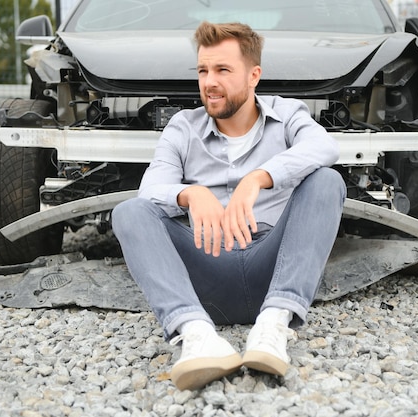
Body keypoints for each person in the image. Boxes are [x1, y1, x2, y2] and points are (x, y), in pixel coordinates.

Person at [112, 21, 345, 391]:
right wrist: (191, 194)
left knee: (327, 180)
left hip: (273, 265)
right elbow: (150, 190)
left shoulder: (287, 115)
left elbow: (326, 148)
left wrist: (259, 177)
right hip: (207, 269)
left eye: (222, 70)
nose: (209, 82)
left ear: (254, 76)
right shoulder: (182, 128)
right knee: (129, 212)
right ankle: (197, 336)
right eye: (203, 71)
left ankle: (273, 326)